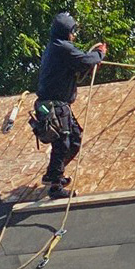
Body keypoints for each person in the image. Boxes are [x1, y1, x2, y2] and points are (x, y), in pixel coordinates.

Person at [33, 11, 106, 197]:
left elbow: (79, 65)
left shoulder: (55, 47)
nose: (73, 35)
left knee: (74, 139)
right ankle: (55, 186)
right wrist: (99, 53)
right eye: (72, 31)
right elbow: (85, 60)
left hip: (54, 105)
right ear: (66, 31)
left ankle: (54, 173)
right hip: (53, 106)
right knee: (62, 142)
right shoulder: (61, 47)